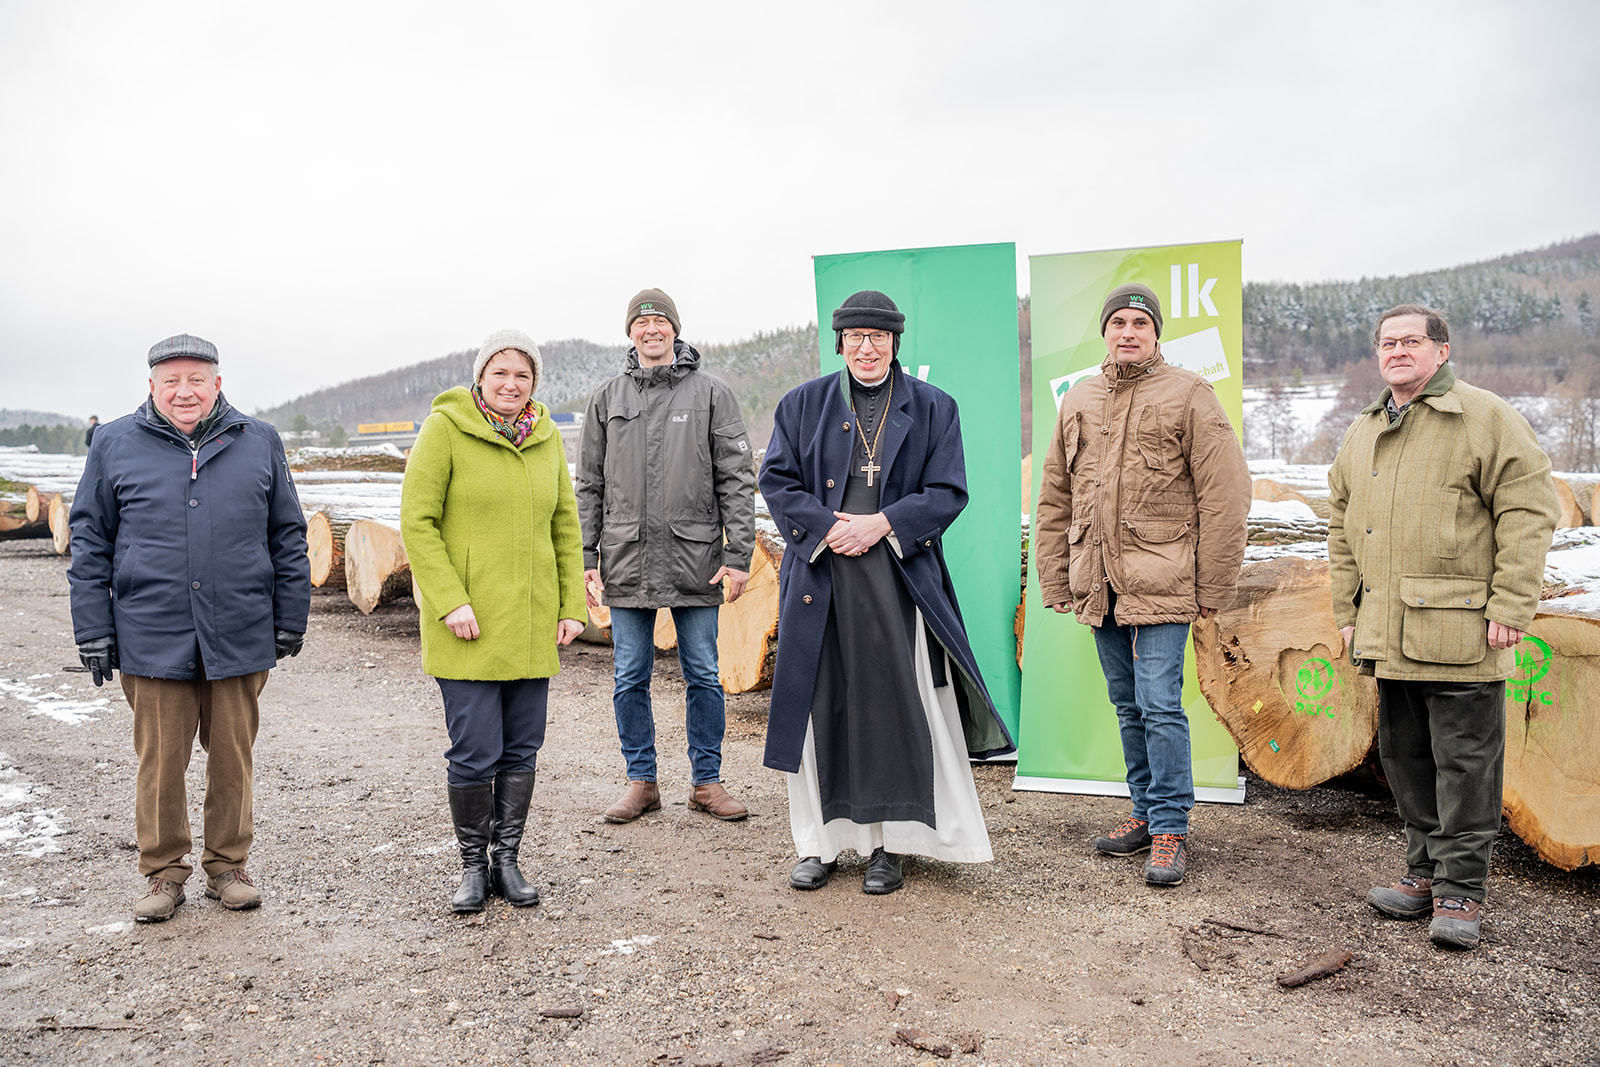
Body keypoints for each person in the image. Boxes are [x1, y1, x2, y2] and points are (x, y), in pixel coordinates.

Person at [759, 289, 1015, 895]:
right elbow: (775, 478)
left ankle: (890, 846)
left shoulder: (933, 407)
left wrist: (884, 523)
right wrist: (826, 528)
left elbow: (948, 490)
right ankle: (818, 845)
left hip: (896, 577)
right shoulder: (802, 404)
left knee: (892, 708)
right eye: (855, 338)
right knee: (822, 710)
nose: (866, 348)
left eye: (878, 337)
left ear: (895, 342)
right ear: (840, 343)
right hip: (819, 576)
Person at [1329, 304, 1558, 951]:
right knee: (1406, 760)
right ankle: (1424, 872)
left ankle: (1462, 887)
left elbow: (1529, 507)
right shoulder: (1365, 429)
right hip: (1388, 631)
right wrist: (1348, 612)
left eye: (1411, 341)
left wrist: (1512, 604)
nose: (1397, 350)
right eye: (1387, 342)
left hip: (1463, 632)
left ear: (1442, 351)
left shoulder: (1484, 417)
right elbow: (1340, 528)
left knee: (1465, 764)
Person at [68, 334, 309, 922]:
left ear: (217, 384)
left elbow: (289, 535)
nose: (184, 391)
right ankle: (163, 872)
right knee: (160, 761)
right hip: (151, 633)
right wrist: (93, 629)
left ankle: (227, 866)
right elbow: (90, 541)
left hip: (240, 629)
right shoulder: (114, 442)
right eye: (171, 380)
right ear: (152, 386)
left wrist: (290, 615)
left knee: (232, 757)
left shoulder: (259, 441)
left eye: (196, 379)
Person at [1034, 284, 1251, 888]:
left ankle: (1171, 827)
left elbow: (1226, 494)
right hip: (1098, 580)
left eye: (1140, 323)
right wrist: (1057, 577)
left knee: (1159, 704)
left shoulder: (1189, 394)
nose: (1128, 332)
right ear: (1105, 332)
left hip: (1164, 579)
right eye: (1118, 323)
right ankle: (1143, 810)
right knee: (1127, 703)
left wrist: (1214, 586)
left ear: (1156, 333)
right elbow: (1055, 497)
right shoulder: (1079, 398)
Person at [401, 329, 587, 914]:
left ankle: (507, 860)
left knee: (522, 749)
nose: (511, 384)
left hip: (532, 626)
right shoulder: (445, 429)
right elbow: (418, 521)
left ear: (534, 384)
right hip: (468, 626)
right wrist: (449, 599)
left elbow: (565, 525)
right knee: (474, 751)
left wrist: (571, 606)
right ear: (480, 377)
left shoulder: (548, 437)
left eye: (523, 376)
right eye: (500, 373)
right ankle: (471, 867)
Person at [576, 289, 756, 824]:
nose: (651, 330)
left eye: (660, 322)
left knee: (702, 673)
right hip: (626, 559)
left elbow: (737, 479)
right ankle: (641, 781)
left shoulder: (712, 394)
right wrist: (588, 555)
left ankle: (707, 782)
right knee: (629, 675)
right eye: (641, 322)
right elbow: (588, 484)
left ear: (675, 330)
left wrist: (740, 552)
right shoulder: (607, 398)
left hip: (694, 557)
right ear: (630, 333)